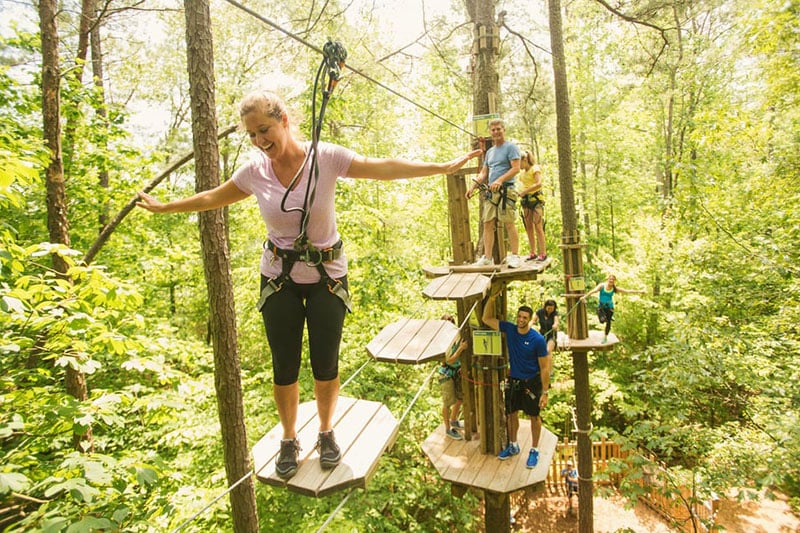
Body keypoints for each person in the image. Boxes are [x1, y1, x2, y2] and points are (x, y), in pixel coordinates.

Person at [136, 90, 480, 480]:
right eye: (251, 135)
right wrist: (167, 206)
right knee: (284, 366)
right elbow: (213, 197)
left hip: (327, 277)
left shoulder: (326, 157)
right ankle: (288, 437)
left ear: (284, 120)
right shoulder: (254, 172)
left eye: (264, 130)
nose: (259, 141)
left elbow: (382, 166)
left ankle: (326, 431)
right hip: (279, 279)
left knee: (325, 363)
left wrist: (440, 168)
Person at [482, 290, 551, 468]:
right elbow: (486, 319)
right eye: (519, 316)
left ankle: (534, 450)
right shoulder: (511, 330)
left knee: (534, 416)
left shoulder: (537, 339)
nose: (521, 320)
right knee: (511, 414)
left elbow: (544, 367)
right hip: (514, 381)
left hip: (532, 382)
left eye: (524, 317)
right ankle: (513, 445)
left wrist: (545, 392)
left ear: (529, 319)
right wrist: (491, 298)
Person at [465, 119, 522, 269]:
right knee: (487, 223)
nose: (496, 132)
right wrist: (473, 187)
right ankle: (487, 257)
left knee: (509, 222)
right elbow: (484, 172)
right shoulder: (490, 152)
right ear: (490, 133)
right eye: (493, 130)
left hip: (506, 191)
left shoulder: (511, 148)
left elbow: (516, 168)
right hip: (491, 192)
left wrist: (500, 180)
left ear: (504, 130)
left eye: (498, 129)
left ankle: (515, 256)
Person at [581, 274, 645, 343]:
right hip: (601, 307)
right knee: (602, 321)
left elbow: (627, 291)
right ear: (607, 279)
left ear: (614, 281)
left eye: (613, 279)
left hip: (609, 307)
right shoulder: (602, 286)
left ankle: (605, 337)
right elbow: (593, 291)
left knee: (608, 322)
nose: (611, 280)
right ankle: (606, 318)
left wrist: (639, 291)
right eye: (610, 279)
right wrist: (584, 297)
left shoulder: (614, 289)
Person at [438, 315, 468, 440]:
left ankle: (453, 420)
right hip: (446, 374)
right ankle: (447, 429)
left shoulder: (456, 336)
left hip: (457, 372)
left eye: (451, 322)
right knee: (447, 402)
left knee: (460, 397)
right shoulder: (441, 340)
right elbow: (449, 360)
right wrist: (461, 349)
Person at [517, 151, 547, 261]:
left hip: (536, 200)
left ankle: (543, 252)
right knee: (528, 227)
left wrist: (525, 192)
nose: (518, 165)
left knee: (538, 226)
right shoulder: (522, 174)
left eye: (519, 162)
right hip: (526, 201)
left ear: (525, 160)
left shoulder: (535, 168)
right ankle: (533, 252)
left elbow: (539, 183)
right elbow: (525, 184)